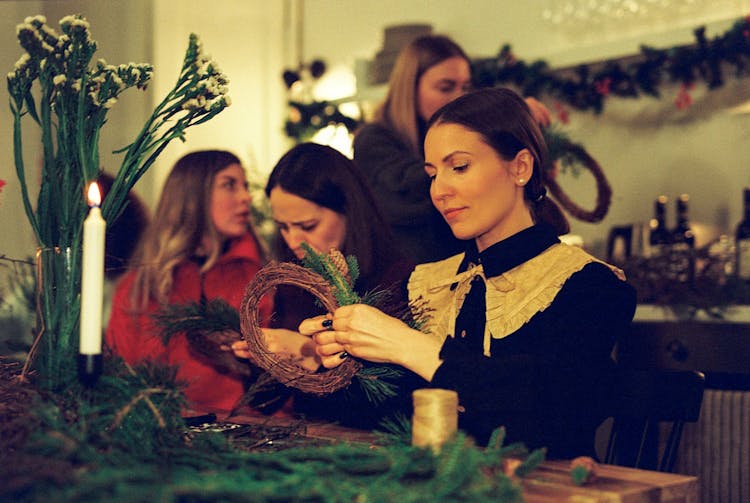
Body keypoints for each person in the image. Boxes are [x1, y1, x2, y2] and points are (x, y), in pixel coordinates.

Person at [305, 88, 636, 459]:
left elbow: (553, 419)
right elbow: (385, 421)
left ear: (520, 168)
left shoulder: (590, 285)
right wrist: (330, 365)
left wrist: (409, 346)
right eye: (432, 174)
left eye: (459, 167)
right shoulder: (425, 284)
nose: (439, 190)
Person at [230, 142, 415, 425]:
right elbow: (264, 402)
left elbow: (391, 402)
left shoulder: (400, 279)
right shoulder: (295, 282)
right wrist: (266, 360)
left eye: (307, 226)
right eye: (283, 226)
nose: (293, 241)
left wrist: (312, 353)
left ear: (349, 211)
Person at [353, 34, 551, 264]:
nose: (459, 97)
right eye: (446, 87)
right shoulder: (374, 141)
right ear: (410, 88)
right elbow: (408, 192)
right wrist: (499, 117)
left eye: (466, 87)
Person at [106, 150, 273, 416]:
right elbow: (117, 373)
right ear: (192, 196)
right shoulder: (142, 285)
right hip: (159, 433)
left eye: (244, 186)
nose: (246, 197)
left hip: (249, 433)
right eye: (230, 185)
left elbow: (283, 376)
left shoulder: (261, 277)